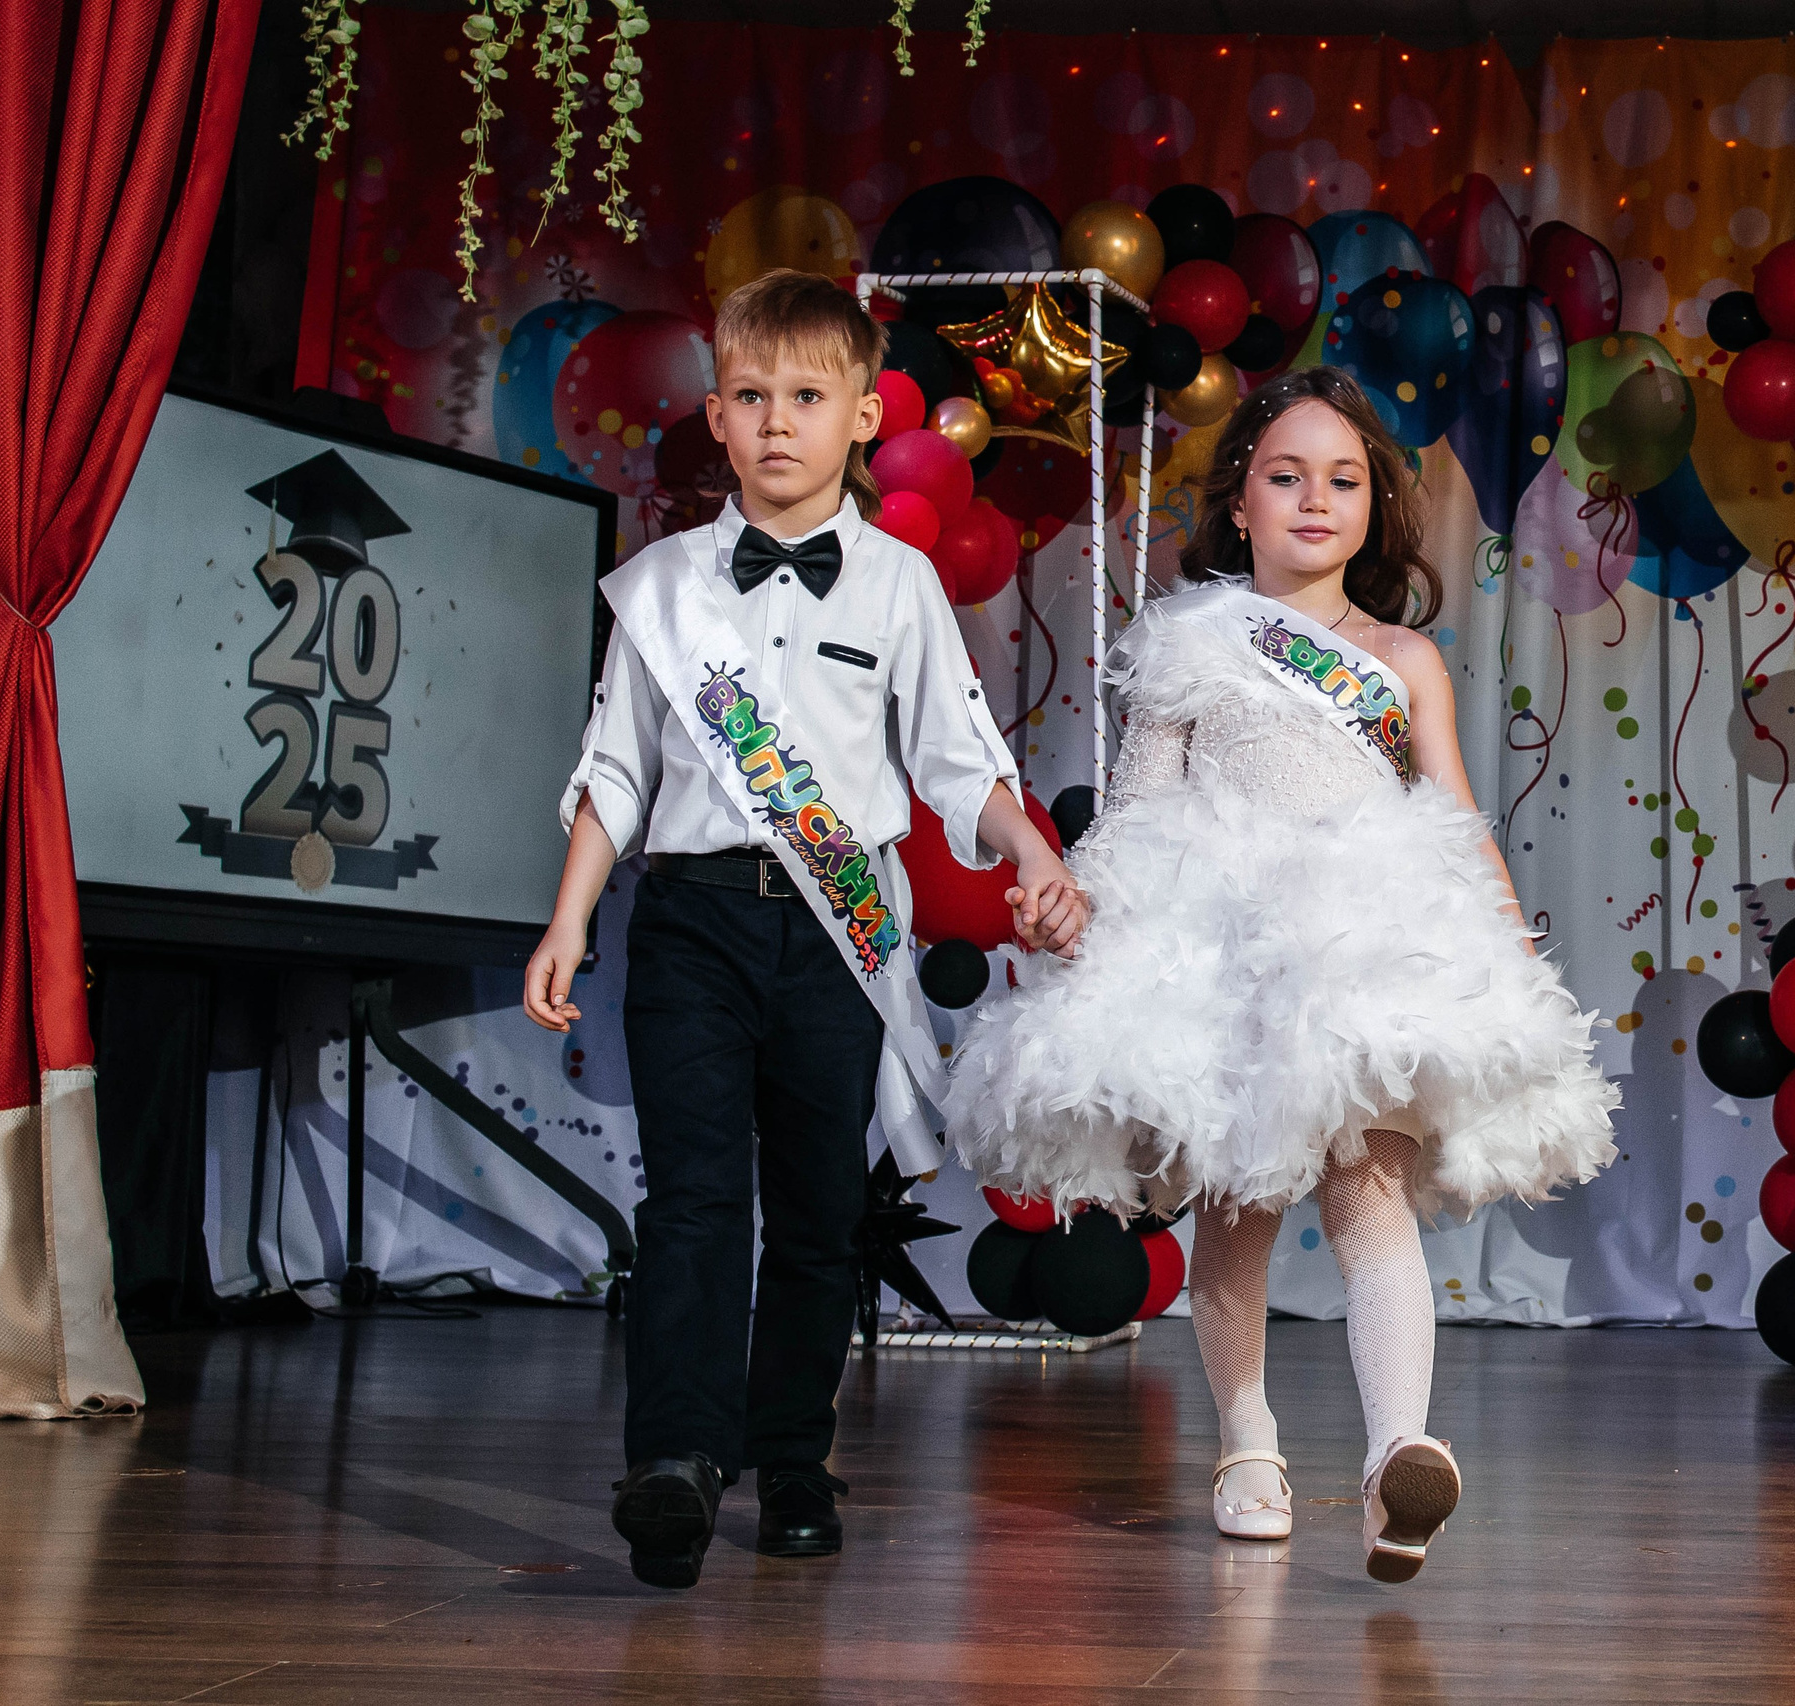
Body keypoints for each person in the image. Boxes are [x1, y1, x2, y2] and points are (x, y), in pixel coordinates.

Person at [949, 366, 1618, 1584]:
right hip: (1224, 944)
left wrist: (1507, 943)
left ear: (1374, 510)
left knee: (1372, 1191)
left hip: (1361, 938)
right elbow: (1140, 813)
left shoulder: (1406, 656)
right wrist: (1075, 907)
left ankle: (1392, 1458)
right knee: (1238, 1208)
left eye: (1344, 478)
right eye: (1286, 474)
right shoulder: (1190, 642)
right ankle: (1246, 1443)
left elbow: (1455, 814)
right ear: (1241, 503)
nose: (1316, 497)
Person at [523, 268, 1087, 1591]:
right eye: (755, 397)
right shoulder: (658, 587)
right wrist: (568, 918)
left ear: (858, 419)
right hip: (692, 924)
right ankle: (672, 1459)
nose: (779, 422)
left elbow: (958, 761)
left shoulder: (897, 586)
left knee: (821, 1212)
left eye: (808, 398)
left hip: (838, 935)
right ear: (716, 417)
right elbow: (614, 768)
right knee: (696, 1199)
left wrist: (1033, 853)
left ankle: (790, 1458)